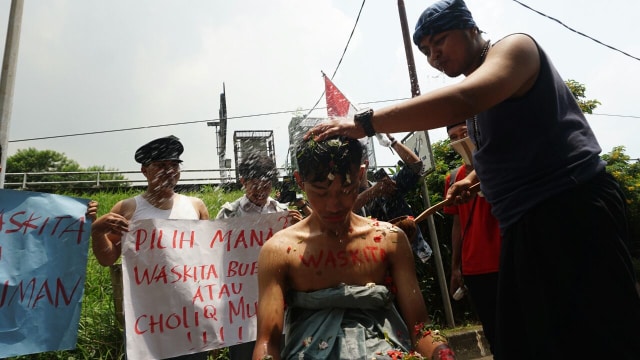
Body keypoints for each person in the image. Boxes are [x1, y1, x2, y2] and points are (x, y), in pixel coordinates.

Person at [306, 0, 640, 358]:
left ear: (471, 29)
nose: (434, 56)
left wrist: (365, 124)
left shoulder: (516, 49)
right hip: (522, 224)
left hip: (571, 208)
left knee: (602, 335)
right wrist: (476, 179)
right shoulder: (481, 97)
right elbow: (517, 145)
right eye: (426, 51)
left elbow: (465, 97)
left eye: (441, 42)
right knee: (529, 342)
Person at [252, 136, 455, 360]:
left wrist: (442, 353)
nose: (334, 204)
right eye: (321, 191)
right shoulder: (279, 250)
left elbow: (421, 329)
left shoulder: (390, 239)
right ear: (300, 181)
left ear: (360, 175)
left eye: (347, 189)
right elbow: (267, 343)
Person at [91, 135, 210, 360]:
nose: (169, 171)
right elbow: (107, 258)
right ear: (145, 170)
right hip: (147, 319)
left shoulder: (196, 206)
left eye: (174, 165)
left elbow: (209, 259)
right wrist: (97, 231)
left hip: (191, 317)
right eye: (161, 166)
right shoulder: (128, 208)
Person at [216, 152, 303, 360]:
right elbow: (217, 258)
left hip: (278, 302)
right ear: (243, 182)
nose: (261, 190)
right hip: (241, 307)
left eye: (267, 184)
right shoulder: (229, 215)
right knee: (244, 353)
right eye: (255, 184)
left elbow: (294, 254)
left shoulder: (282, 212)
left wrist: (298, 227)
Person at [444, 121, 500, 354]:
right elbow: (457, 224)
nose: (460, 140)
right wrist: (455, 267)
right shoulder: (453, 178)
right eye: (454, 136)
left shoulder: (499, 163)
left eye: (465, 133)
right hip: (475, 266)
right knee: (495, 333)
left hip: (506, 257)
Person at [354, 134, 432, 263]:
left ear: (365, 164)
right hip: (377, 265)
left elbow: (416, 166)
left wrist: (391, 139)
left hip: (412, 255)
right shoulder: (344, 201)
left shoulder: (388, 186)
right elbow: (346, 210)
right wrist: (373, 191)